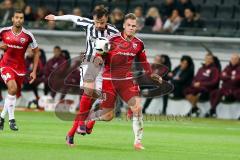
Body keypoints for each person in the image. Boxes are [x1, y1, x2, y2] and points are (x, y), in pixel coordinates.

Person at [45, 6, 119, 146]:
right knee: (89, 91)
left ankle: (75, 131)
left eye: (102, 23)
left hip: (104, 68)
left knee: (100, 103)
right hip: (89, 62)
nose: (98, 26)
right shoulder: (88, 24)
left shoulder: (114, 32)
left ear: (107, 19)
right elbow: (73, 17)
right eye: (97, 22)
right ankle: (81, 126)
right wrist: (56, 18)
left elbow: (119, 49)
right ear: (93, 20)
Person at [89, 13, 162, 150]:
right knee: (108, 116)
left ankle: (137, 142)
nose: (131, 28)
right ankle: (91, 118)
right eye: (129, 25)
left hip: (127, 81)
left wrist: (152, 74)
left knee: (138, 108)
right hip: (109, 80)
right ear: (124, 26)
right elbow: (99, 57)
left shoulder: (139, 44)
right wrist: (98, 59)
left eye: (134, 26)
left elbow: (144, 62)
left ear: (137, 27)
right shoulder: (111, 40)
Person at [0, 10, 40, 131]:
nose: (18, 20)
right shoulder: (3, 31)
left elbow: (37, 52)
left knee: (13, 93)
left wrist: (33, 71)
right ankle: (12, 120)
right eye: (16, 17)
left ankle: (1, 117)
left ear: (23, 20)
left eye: (21, 18)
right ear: (12, 19)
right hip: (5, 65)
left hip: (20, 69)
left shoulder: (28, 35)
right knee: (12, 88)